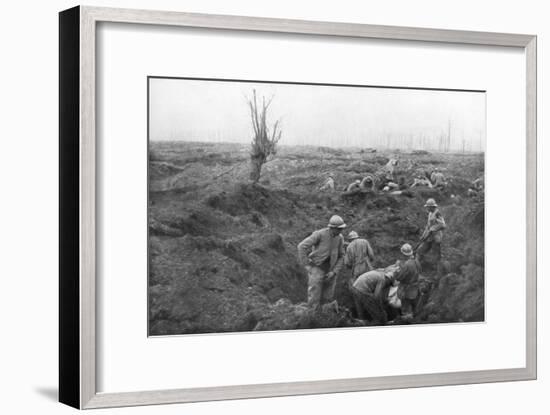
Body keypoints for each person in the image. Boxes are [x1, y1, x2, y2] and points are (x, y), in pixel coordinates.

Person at [298, 215, 346, 308]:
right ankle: (312, 318)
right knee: (314, 301)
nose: (341, 231)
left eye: (341, 229)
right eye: (339, 229)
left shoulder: (340, 238)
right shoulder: (319, 234)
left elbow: (341, 256)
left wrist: (334, 272)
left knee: (327, 300)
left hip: (331, 273)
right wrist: (307, 265)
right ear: (332, 228)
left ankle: (324, 318)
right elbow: (301, 246)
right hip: (317, 269)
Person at [393, 243, 422, 319]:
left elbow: (399, 278)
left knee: (406, 312)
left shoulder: (407, 264)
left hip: (406, 291)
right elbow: (420, 272)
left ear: (403, 254)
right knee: (415, 310)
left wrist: (396, 271)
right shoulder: (416, 261)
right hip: (416, 289)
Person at [416, 198, 446, 266]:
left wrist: (433, 229)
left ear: (432, 207)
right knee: (420, 251)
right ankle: (417, 267)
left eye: (428, 207)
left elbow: (443, 225)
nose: (427, 208)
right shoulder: (430, 213)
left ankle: (439, 271)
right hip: (429, 237)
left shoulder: (437, 213)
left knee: (437, 256)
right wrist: (423, 235)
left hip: (436, 238)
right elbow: (428, 225)